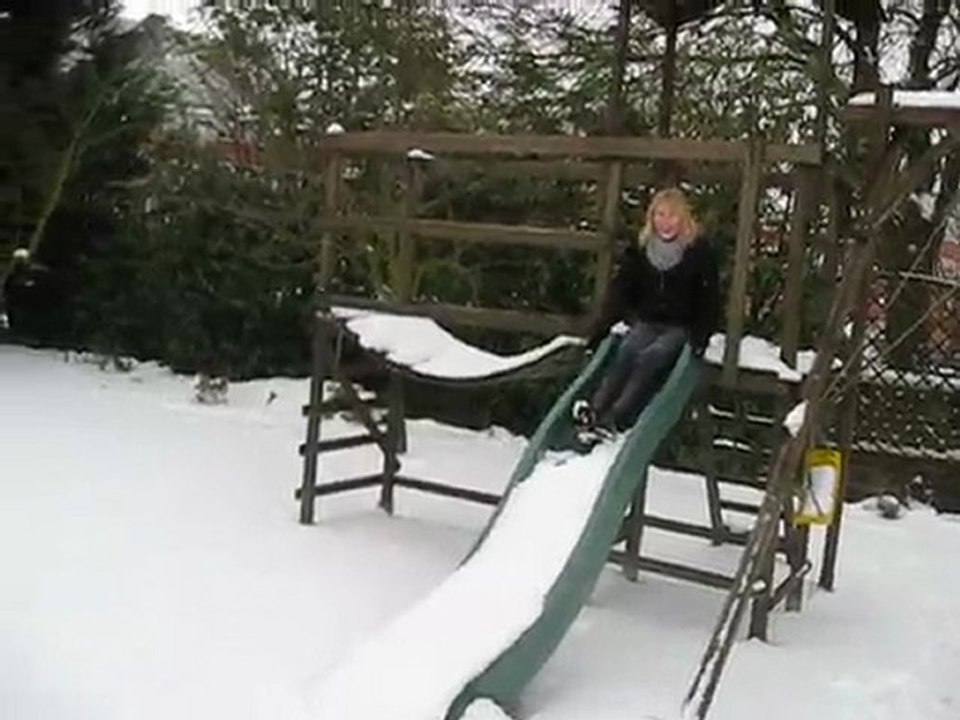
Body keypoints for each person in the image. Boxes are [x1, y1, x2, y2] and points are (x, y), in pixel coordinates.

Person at [573, 187, 720, 443]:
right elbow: (621, 289)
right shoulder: (642, 249)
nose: (665, 222)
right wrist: (602, 327)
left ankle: (618, 416)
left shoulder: (697, 252)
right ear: (652, 218)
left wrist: (700, 337)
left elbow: (710, 299)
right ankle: (595, 411)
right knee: (628, 350)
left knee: (652, 357)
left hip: (679, 325)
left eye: (672, 216)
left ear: (683, 219)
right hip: (648, 320)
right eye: (660, 215)